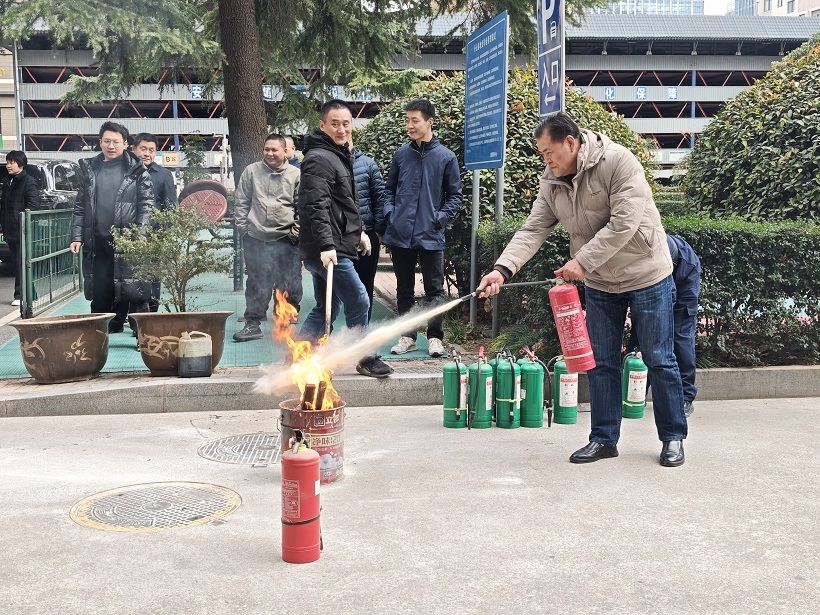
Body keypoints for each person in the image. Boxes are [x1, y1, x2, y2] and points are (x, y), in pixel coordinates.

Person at [478, 112, 687, 468]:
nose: (546, 159)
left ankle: (672, 437)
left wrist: (583, 261)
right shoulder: (552, 181)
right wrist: (502, 269)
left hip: (646, 274)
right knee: (600, 362)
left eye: (549, 152)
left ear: (571, 143)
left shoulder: (618, 161)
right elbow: (532, 231)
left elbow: (625, 222)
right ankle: (604, 439)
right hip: (602, 281)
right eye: (542, 153)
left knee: (659, 359)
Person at [297, 99, 392, 378]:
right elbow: (317, 205)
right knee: (359, 300)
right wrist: (327, 245)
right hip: (328, 249)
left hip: (336, 244)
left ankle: (300, 353)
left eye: (346, 123)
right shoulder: (319, 158)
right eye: (335, 124)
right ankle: (364, 358)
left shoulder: (337, 154)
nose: (341, 129)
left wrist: (358, 231)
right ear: (322, 125)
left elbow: (343, 203)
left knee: (329, 304)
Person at [383, 99, 462, 358]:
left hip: (430, 235)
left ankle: (435, 337)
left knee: (434, 290)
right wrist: (390, 214)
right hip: (400, 234)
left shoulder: (446, 157)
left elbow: (455, 197)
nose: (409, 125)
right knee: (403, 289)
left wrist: (439, 219)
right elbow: (388, 191)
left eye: (414, 120)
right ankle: (407, 336)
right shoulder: (400, 155)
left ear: (430, 122)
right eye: (407, 120)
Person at [70, 121, 153, 333]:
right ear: (100, 142)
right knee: (100, 293)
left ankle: (143, 336)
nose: (111, 146)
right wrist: (77, 236)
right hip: (98, 244)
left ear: (125, 144)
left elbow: (146, 206)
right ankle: (96, 336)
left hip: (130, 242)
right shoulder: (89, 170)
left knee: (135, 292)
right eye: (106, 141)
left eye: (116, 142)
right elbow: (80, 206)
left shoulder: (137, 171)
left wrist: (140, 235)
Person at [233, 133, 302, 342]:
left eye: (275, 150)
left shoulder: (296, 175)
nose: (270, 153)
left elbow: (302, 207)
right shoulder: (251, 171)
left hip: (286, 237)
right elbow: (241, 201)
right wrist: (244, 228)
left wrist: (295, 232)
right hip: (256, 237)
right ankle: (252, 323)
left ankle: (282, 323)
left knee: (287, 281)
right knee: (256, 281)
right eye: (267, 149)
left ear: (285, 151)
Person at [627, 234, 701, 418]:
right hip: (650, 275)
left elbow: (669, 296)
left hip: (684, 275)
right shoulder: (633, 249)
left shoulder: (674, 259)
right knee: (641, 331)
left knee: (680, 338)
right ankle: (634, 392)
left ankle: (685, 397)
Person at [131, 133, 177, 315]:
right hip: (127, 234)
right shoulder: (126, 172)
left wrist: (162, 234)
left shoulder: (164, 175)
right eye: (143, 149)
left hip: (154, 236)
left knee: (153, 276)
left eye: (151, 150)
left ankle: (151, 313)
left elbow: (171, 208)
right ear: (133, 149)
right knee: (128, 277)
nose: (147, 154)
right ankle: (130, 314)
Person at [350, 134, 389, 321]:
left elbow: (380, 197)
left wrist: (378, 231)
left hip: (368, 235)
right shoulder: (328, 162)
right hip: (340, 237)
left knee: (365, 285)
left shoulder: (368, 164)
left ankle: (361, 332)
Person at [1, 151, 41, 307]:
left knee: (20, 263)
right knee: (18, 262)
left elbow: (33, 205)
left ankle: (20, 295)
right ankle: (31, 294)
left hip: (22, 230)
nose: (8, 165)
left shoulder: (28, 181)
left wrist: (22, 223)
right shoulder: (7, 181)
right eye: (7, 162)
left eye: (11, 162)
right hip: (9, 229)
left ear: (21, 164)